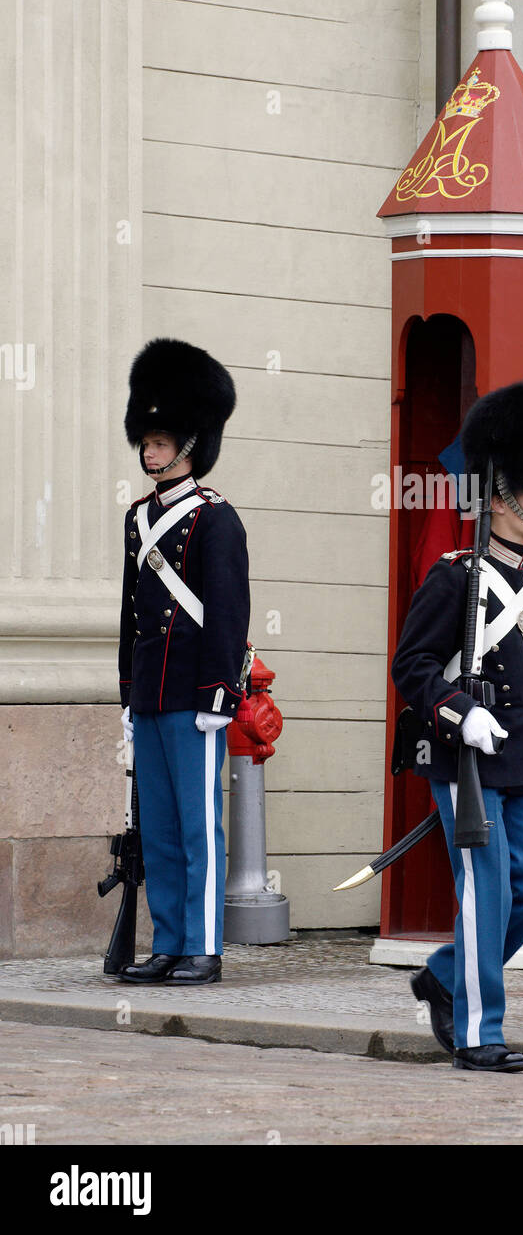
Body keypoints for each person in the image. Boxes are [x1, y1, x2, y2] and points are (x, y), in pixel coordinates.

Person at [391, 379, 523, 1072]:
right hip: (462, 758)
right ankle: (480, 1033)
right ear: (498, 497)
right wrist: (458, 709)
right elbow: (412, 663)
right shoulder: (454, 576)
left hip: (519, 761)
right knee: (484, 893)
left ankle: (446, 976)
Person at [117, 338, 250, 985]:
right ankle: (168, 942)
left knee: (199, 827)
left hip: (195, 697)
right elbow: (129, 616)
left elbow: (227, 612)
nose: (150, 451)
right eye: (147, 440)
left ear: (191, 445)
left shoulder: (215, 520)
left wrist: (219, 694)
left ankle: (203, 946)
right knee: (162, 828)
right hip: (150, 694)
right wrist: (126, 695)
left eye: (162, 442)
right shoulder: (137, 519)